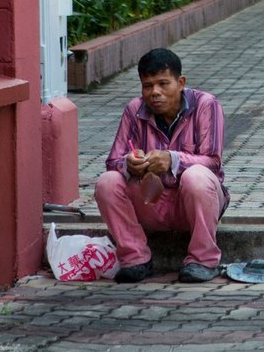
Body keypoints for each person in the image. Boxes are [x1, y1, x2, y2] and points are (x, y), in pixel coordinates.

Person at [95, 47, 228, 284]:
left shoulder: (206, 105)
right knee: (107, 182)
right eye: (148, 86)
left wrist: (172, 159)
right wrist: (129, 164)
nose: (155, 92)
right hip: (152, 203)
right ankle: (135, 258)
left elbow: (213, 162)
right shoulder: (134, 110)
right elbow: (113, 162)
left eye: (163, 84)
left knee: (196, 176)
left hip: (196, 202)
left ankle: (203, 260)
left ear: (181, 82)